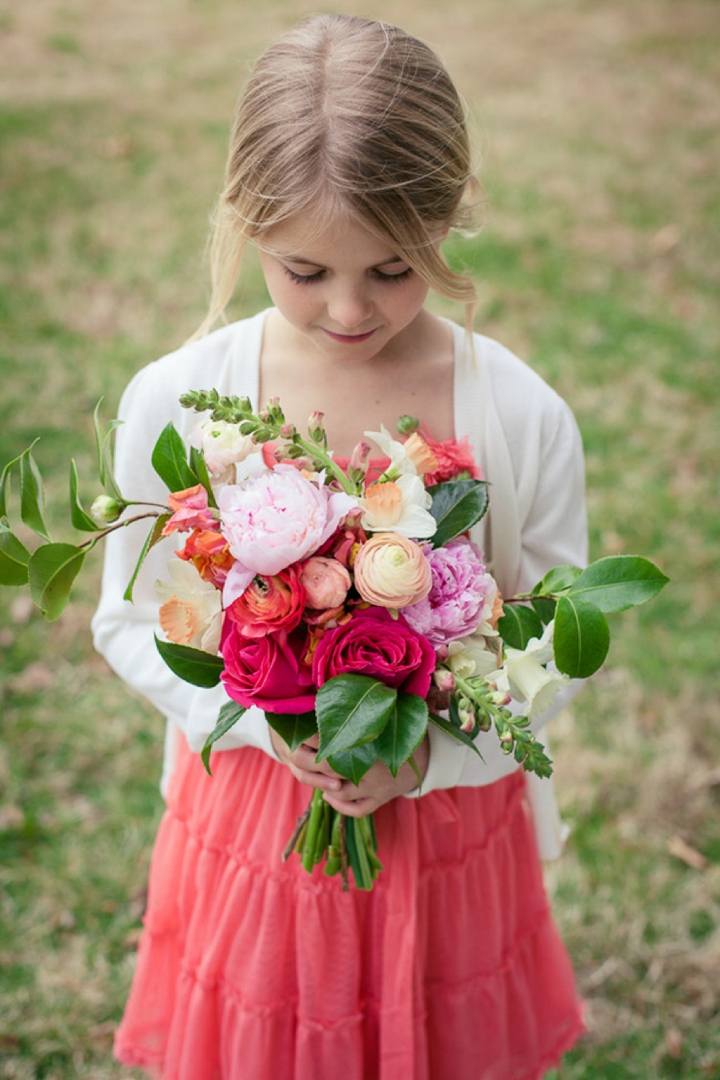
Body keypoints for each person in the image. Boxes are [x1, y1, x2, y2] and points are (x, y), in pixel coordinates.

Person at [92, 14, 587, 1079]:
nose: (351, 308)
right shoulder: (177, 403)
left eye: (394, 269)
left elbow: (553, 637)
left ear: (451, 218)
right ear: (245, 224)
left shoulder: (518, 413)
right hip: (261, 815)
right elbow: (129, 620)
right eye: (305, 269)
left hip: (449, 819)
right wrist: (267, 729)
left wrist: (430, 753)